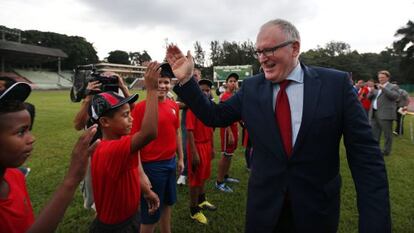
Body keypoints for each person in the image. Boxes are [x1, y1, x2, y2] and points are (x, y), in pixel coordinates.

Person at [167, 18, 391, 233]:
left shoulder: (335, 85)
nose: (262, 58)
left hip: (316, 212)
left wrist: (375, 225)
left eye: (269, 50)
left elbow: (367, 160)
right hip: (264, 211)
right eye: (259, 52)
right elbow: (214, 115)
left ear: (295, 48)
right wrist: (187, 81)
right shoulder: (252, 88)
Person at [0, 82, 100, 233]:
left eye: (29, 130)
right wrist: (71, 179)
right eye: (21, 132)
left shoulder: (15, 176)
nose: (32, 138)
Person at [88, 62, 160, 233]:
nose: (132, 119)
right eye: (126, 115)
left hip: (128, 217)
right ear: (104, 122)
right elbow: (149, 132)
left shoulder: (119, 141)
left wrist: (145, 191)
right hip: (116, 227)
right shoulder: (111, 149)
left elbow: (130, 171)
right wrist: (151, 89)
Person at [131, 63, 184, 233]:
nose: (162, 86)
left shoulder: (174, 105)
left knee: (168, 203)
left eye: (166, 82)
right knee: (151, 213)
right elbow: (134, 145)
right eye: (159, 82)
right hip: (152, 167)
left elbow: (176, 132)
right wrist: (140, 174)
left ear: (171, 84)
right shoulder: (140, 108)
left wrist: (181, 158)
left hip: (170, 162)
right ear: (150, 83)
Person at [73, 72, 131, 210]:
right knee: (96, 196)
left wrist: (123, 87)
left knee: (116, 190)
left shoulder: (119, 96)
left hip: (116, 149)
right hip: (95, 150)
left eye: (111, 80)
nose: (107, 84)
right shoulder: (92, 99)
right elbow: (78, 125)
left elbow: (132, 111)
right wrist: (89, 96)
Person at [186, 79, 217, 224]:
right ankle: (193, 210)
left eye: (207, 90)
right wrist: (194, 153)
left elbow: (210, 129)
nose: (205, 92)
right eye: (202, 90)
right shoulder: (193, 107)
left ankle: (202, 200)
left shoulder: (209, 106)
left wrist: (212, 147)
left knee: (203, 175)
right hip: (196, 146)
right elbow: (190, 131)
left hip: (206, 145)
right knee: (194, 180)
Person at [176, 68, 202, 186]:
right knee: (186, 146)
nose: (195, 77)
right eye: (193, 76)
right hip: (187, 121)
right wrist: (190, 104)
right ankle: (184, 173)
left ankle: (196, 170)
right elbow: (178, 105)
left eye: (196, 75)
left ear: (200, 76)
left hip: (202, 123)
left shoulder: (204, 88)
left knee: (200, 146)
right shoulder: (185, 89)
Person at [215, 73, 240, 193]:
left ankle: (226, 176)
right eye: (231, 81)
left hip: (234, 128)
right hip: (227, 129)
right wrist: (230, 132)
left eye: (235, 81)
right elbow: (223, 117)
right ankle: (219, 182)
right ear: (226, 83)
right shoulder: (225, 96)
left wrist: (238, 130)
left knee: (230, 154)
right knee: (225, 155)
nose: (233, 83)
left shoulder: (235, 96)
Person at [369, 70, 400, 156]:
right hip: (374, 113)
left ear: (388, 78)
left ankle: (386, 151)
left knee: (387, 135)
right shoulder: (377, 86)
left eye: (382, 77)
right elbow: (369, 98)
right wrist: (371, 91)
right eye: (379, 78)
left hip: (385, 114)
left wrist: (384, 88)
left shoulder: (393, 86)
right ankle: (375, 150)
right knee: (375, 133)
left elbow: (395, 97)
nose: (380, 79)